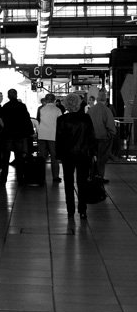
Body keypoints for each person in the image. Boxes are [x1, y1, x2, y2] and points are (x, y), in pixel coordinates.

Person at [56, 92, 97, 220]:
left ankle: (70, 210)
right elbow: (91, 137)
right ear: (79, 104)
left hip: (67, 155)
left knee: (68, 183)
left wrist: (58, 155)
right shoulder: (86, 118)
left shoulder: (61, 120)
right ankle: (83, 210)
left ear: (66, 104)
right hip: (83, 154)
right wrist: (93, 153)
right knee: (82, 182)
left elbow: (59, 139)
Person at [0, 88, 33, 185]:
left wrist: (4, 126)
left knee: (5, 158)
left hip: (7, 135)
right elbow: (27, 119)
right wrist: (29, 132)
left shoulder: (5, 106)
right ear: (16, 95)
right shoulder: (22, 106)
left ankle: (3, 180)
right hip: (19, 135)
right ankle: (20, 179)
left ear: (8, 96)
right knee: (19, 158)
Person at [87, 88, 116, 182]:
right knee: (101, 159)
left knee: (92, 158)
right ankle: (100, 176)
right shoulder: (107, 110)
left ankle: (92, 175)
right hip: (103, 138)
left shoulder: (91, 110)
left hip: (92, 138)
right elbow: (111, 126)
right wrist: (111, 135)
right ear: (106, 99)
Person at [36, 93, 62, 184]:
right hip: (53, 135)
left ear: (46, 100)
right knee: (54, 157)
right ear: (54, 100)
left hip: (42, 135)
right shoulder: (57, 110)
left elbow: (38, 120)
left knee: (42, 157)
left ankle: (40, 176)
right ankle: (55, 177)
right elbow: (60, 123)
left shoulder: (41, 109)